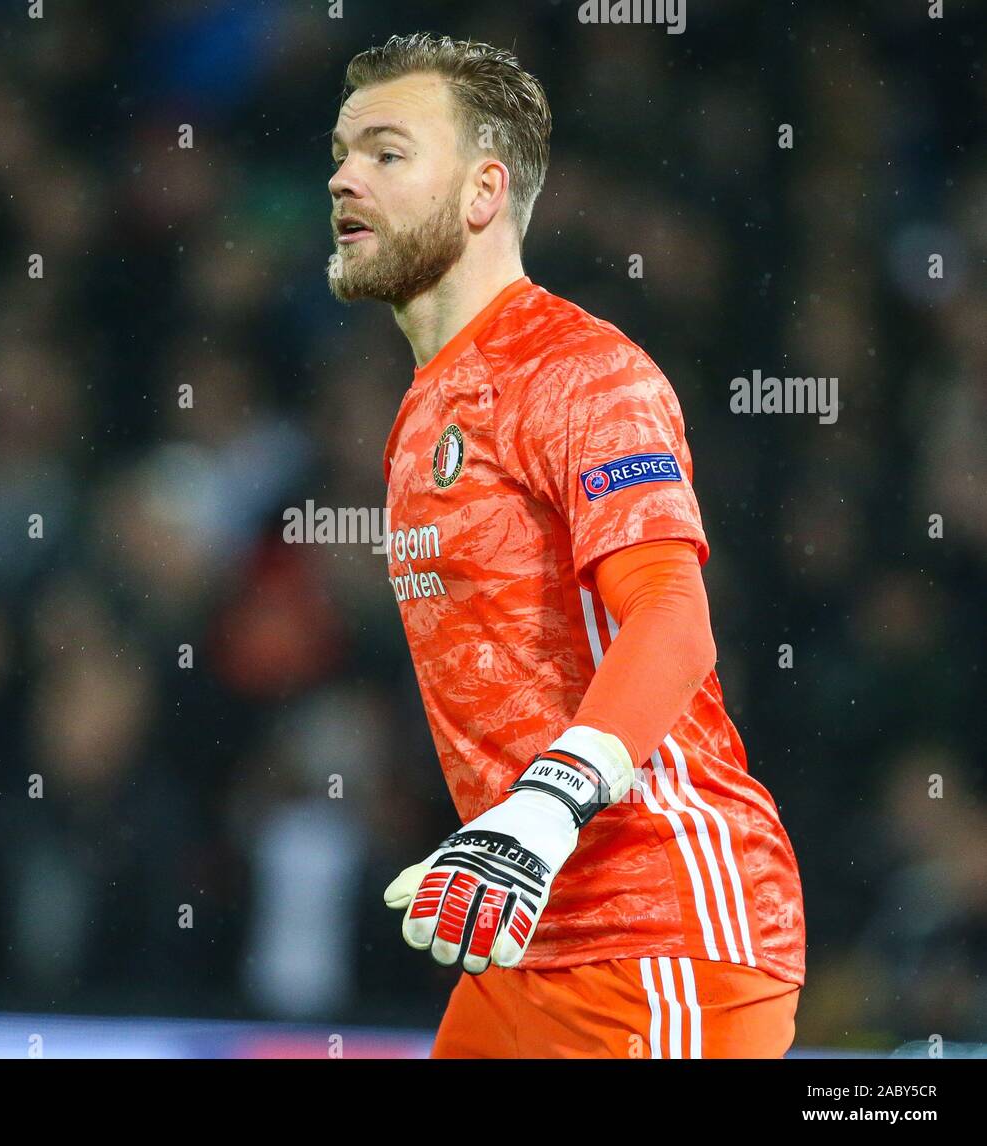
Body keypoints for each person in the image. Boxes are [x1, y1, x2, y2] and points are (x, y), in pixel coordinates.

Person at [327, 32, 805, 1058]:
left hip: (664, 926)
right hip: (524, 931)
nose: (342, 175)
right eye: (342, 150)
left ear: (482, 191)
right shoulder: (423, 411)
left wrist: (542, 805)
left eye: (386, 152)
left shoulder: (578, 372)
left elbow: (673, 623)